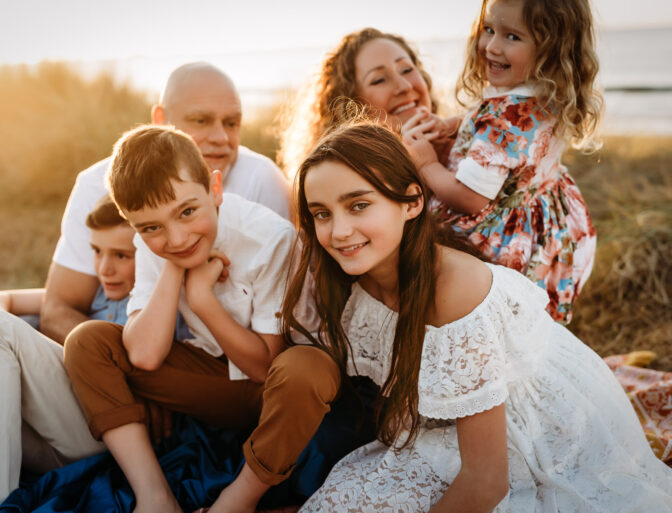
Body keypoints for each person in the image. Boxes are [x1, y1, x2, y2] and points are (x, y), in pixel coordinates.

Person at [282, 121, 672, 512]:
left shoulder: (454, 290)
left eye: (359, 205)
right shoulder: (358, 283)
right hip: (452, 430)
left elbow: (487, 481)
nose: (339, 231)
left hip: (538, 435)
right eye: (321, 214)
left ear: (412, 202)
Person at [63, 125, 339, 513]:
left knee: (306, 368)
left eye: (187, 212)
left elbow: (264, 366)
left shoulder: (270, 237)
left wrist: (201, 298)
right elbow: (143, 354)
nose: (175, 238)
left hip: (280, 390)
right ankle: (155, 495)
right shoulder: (154, 243)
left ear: (215, 188)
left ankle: (237, 501)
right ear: (135, 226)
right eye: (151, 227)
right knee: (87, 342)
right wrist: (177, 268)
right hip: (213, 377)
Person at [0, 196, 136, 513]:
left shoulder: (150, 301)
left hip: (101, 433)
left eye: (122, 255)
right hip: (44, 432)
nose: (105, 268)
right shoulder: (94, 292)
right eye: (97, 252)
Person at [41, 61, 292, 344]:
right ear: (160, 119)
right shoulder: (96, 182)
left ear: (215, 189)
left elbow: (282, 307)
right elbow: (58, 308)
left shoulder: (262, 178)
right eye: (201, 120)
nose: (221, 137)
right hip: (124, 336)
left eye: (231, 123)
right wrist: (115, 362)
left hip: (221, 355)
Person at [401, 0, 601, 323]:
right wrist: (453, 126)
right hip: (545, 218)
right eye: (489, 30)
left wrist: (425, 164)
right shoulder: (548, 91)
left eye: (512, 37)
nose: (492, 47)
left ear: (551, 48)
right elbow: (508, 134)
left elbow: (470, 198)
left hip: (499, 236)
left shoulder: (505, 117)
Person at [278, 27, 458, 177]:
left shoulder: (469, 147)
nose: (404, 86)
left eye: (406, 69)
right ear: (350, 107)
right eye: (379, 80)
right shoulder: (347, 181)